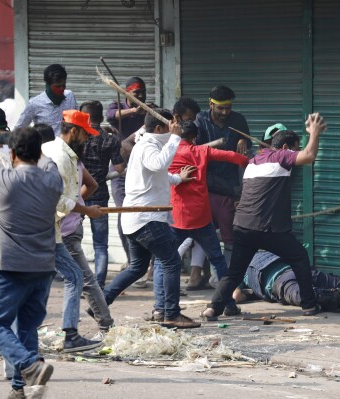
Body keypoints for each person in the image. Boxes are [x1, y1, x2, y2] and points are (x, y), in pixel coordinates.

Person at [202, 113, 328, 320]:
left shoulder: (254, 161)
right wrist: (314, 133)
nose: (296, 152)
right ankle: (309, 304)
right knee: (299, 258)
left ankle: (212, 308)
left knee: (235, 272)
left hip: (243, 226)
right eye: (295, 147)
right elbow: (309, 156)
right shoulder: (281, 157)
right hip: (267, 228)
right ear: (287, 148)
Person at [102, 109, 200, 329]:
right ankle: (171, 314)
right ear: (158, 129)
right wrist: (175, 138)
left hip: (138, 217)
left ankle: (101, 303)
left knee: (137, 267)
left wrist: (177, 178)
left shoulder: (146, 145)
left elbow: (156, 174)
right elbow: (158, 165)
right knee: (171, 261)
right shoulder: (148, 146)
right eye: (170, 127)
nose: (174, 131)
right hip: (147, 217)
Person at [147, 119, 249, 322]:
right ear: (195, 137)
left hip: (176, 217)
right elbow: (230, 156)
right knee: (218, 261)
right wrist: (248, 160)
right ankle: (227, 304)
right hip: (201, 218)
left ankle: (159, 309)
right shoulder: (200, 152)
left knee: (162, 262)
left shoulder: (167, 153)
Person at [0, 127, 63, 399]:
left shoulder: (4, 181)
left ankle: (28, 366)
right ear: (39, 151)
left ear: (12, 153)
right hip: (43, 267)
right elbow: (47, 162)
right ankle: (20, 389)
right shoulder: (52, 181)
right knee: (27, 326)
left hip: (10, 267)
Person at [41, 110, 104, 353]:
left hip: (45, 228)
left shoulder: (51, 149)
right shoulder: (62, 157)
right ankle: (70, 335)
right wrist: (87, 211)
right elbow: (59, 201)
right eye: (85, 135)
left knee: (42, 281)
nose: (87, 141)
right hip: (44, 229)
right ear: (74, 131)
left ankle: (67, 335)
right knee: (73, 277)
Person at [194, 85, 251, 266]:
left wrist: (243, 140)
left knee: (229, 234)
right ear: (211, 104)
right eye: (220, 108)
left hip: (230, 184)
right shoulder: (200, 119)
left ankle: (224, 275)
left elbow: (247, 145)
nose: (225, 112)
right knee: (200, 231)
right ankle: (199, 272)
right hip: (206, 182)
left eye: (228, 108)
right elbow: (195, 150)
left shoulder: (238, 120)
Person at [106, 77, 154, 271]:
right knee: (122, 214)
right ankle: (131, 258)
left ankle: (149, 261)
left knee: (148, 215)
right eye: (136, 94)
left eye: (143, 92)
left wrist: (149, 111)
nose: (141, 96)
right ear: (126, 93)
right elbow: (111, 115)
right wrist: (135, 110)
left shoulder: (150, 108)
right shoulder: (116, 106)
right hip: (121, 169)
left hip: (144, 170)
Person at [60, 163, 115, 333]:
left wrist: (80, 209)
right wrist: (82, 209)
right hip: (60, 229)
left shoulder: (64, 158)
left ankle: (72, 333)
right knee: (79, 278)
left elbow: (61, 201)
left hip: (62, 230)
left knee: (78, 277)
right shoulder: (64, 158)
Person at [79, 100, 125, 288]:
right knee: (100, 245)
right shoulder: (110, 139)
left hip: (78, 194)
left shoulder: (77, 137)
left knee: (72, 240)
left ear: (86, 117)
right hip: (100, 193)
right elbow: (120, 168)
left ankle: (78, 280)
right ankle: (97, 284)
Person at [233, 251, 340, 311]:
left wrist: (243, 294)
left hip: (282, 282)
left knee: (304, 296)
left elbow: (237, 295)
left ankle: (338, 296)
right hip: (302, 271)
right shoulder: (268, 251)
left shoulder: (243, 267)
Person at [16, 64, 78, 136]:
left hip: (68, 146)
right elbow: (19, 129)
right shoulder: (34, 104)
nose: (62, 89)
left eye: (63, 85)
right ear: (47, 84)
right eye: (57, 86)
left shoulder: (70, 96)